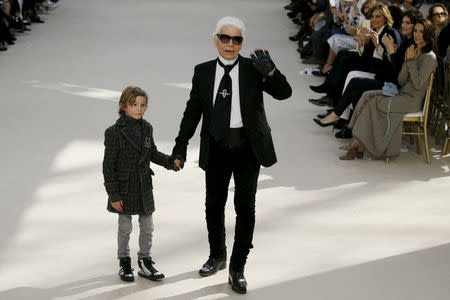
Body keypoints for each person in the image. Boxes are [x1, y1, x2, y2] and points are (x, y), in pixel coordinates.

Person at [171, 16, 292, 294]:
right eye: (225, 38)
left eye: (236, 39)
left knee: (245, 208)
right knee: (213, 205)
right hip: (216, 146)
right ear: (216, 39)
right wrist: (180, 144)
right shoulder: (202, 72)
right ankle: (217, 255)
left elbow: (285, 93)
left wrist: (272, 72)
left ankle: (238, 267)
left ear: (241, 43)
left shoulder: (253, 69)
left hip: (248, 148)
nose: (230, 44)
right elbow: (192, 112)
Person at [102, 86, 179, 282]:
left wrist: (171, 162)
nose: (139, 108)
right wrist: (114, 195)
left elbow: (151, 152)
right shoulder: (113, 132)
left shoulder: (147, 128)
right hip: (124, 187)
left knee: (147, 227)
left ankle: (145, 261)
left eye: (143, 105)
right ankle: (124, 261)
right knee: (125, 228)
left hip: (144, 184)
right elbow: (108, 167)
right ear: (123, 106)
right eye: (134, 104)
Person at [339, 18, 437, 160]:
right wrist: (407, 60)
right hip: (401, 94)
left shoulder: (430, 57)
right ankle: (358, 143)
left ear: (428, 34)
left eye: (421, 32)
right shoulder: (413, 50)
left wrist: (410, 62)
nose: (417, 34)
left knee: (373, 102)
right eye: (415, 31)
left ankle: (357, 143)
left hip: (412, 101)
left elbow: (418, 84)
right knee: (367, 95)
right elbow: (401, 80)